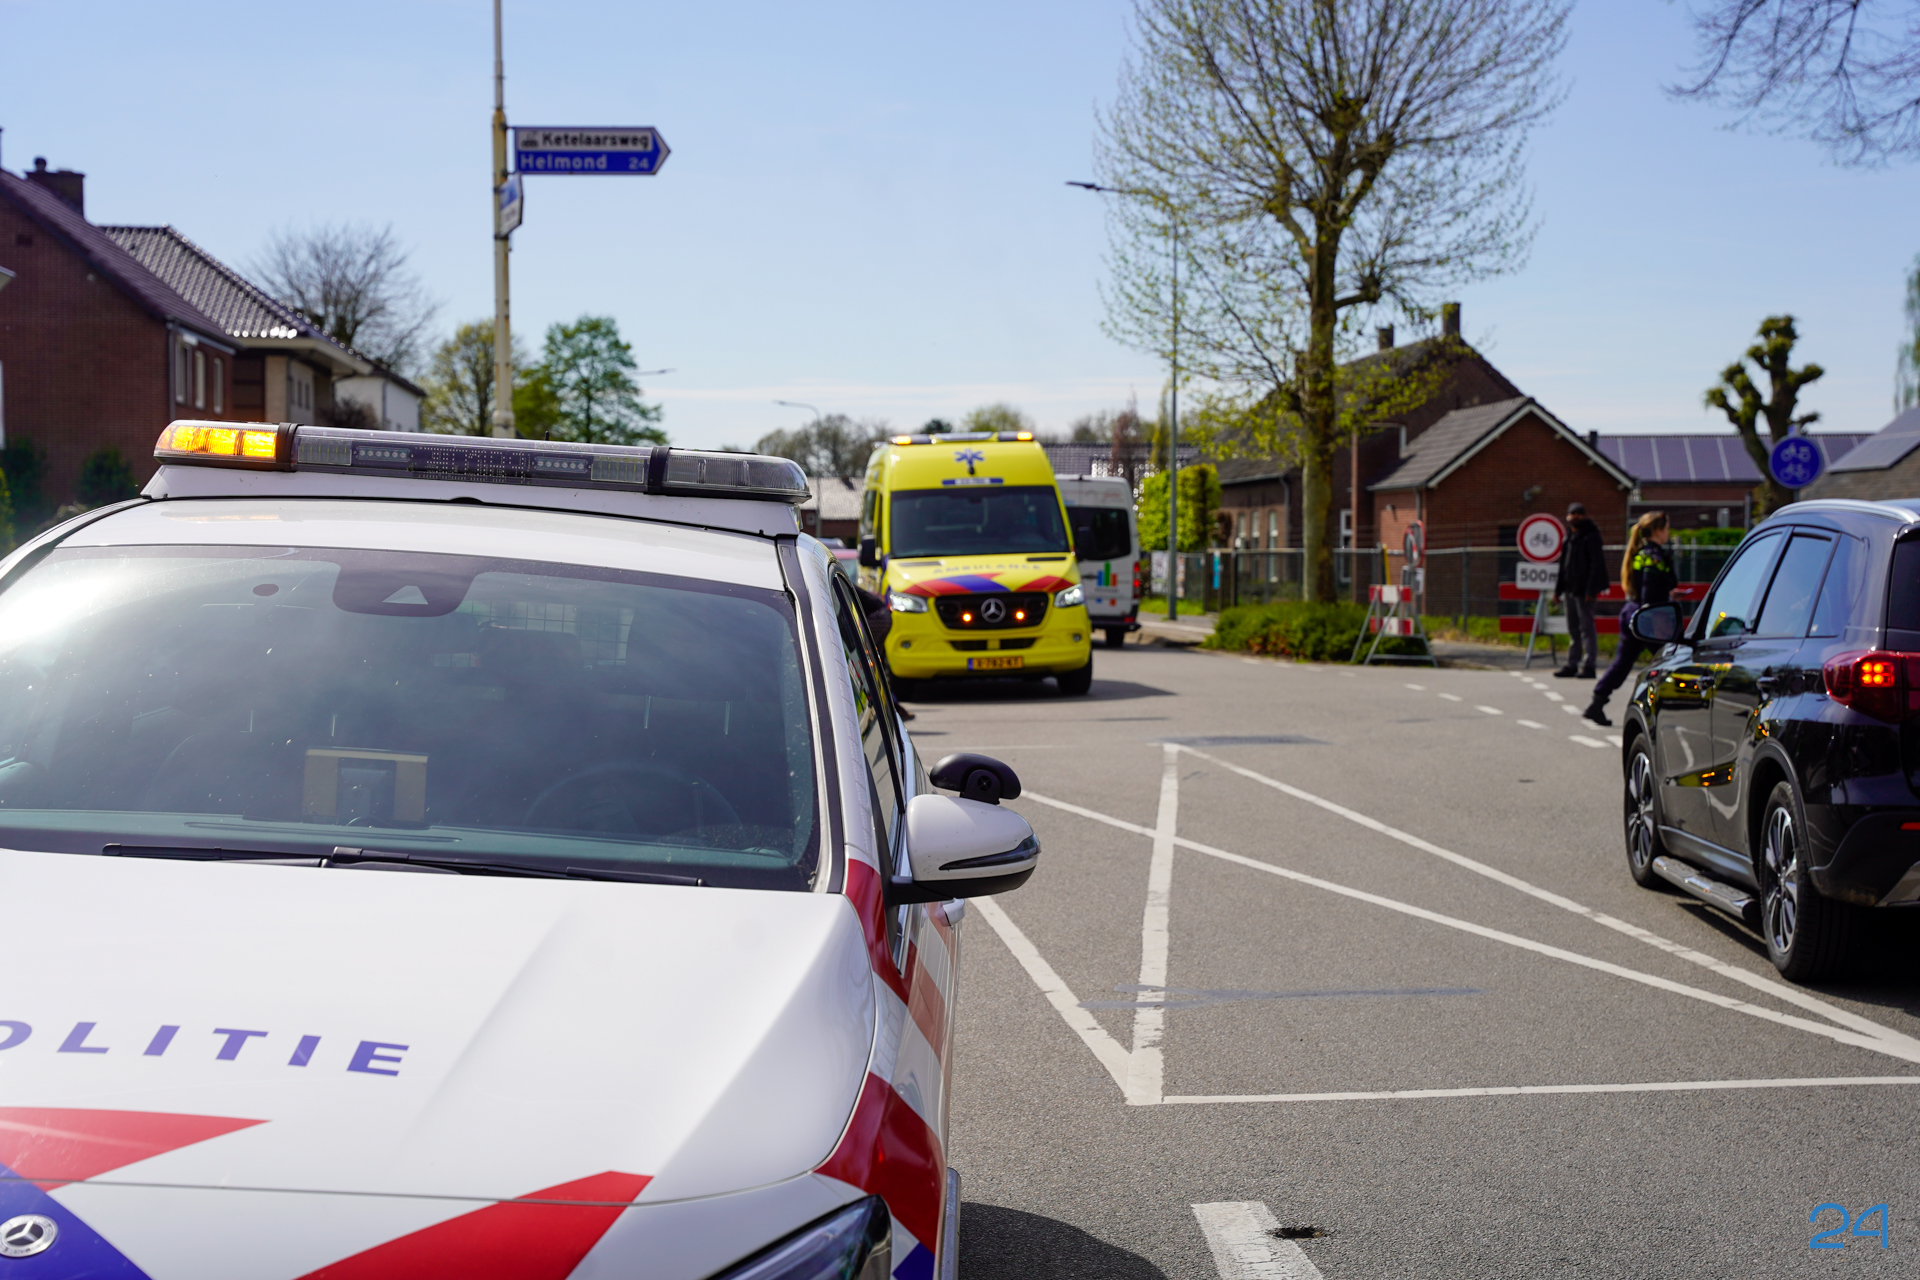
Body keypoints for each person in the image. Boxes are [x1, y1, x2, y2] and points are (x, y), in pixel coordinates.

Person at [1582, 512, 1674, 727]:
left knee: (1622, 664)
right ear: (1658, 530)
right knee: (1672, 661)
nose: (1668, 533)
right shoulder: (1653, 555)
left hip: (1634, 613)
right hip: (1649, 618)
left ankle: (1597, 703)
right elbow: (1649, 589)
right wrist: (1661, 603)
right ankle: (1670, 708)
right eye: (1667, 528)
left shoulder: (1642, 553)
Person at [1552, 502, 1608, 679]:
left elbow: (1595, 565)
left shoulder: (1590, 536)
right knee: (1573, 628)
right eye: (1571, 514)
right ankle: (1572, 663)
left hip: (1584, 591)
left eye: (1578, 514)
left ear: (1584, 515)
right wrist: (1558, 590)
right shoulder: (1569, 537)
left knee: (1586, 628)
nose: (1575, 517)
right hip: (1570, 588)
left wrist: (1590, 590)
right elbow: (1563, 565)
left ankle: (1589, 665)